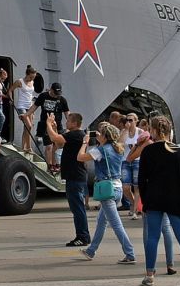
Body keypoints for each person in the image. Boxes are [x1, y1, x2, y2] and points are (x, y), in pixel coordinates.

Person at [133, 115, 180, 286]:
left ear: (153, 131)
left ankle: (149, 275)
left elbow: (142, 180)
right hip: (176, 198)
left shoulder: (148, 151)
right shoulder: (179, 151)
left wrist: (144, 201)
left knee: (152, 237)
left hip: (154, 198)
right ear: (169, 131)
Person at [78, 124, 136, 264]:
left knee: (116, 224)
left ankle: (130, 253)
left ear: (104, 136)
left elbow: (80, 157)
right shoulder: (118, 148)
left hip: (107, 189)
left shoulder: (101, 150)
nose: (98, 136)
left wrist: (85, 141)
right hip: (117, 187)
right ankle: (91, 250)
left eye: (101, 134)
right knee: (102, 221)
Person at [55, 110, 90, 247]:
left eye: (68, 121)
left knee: (78, 209)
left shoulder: (75, 134)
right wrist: (51, 127)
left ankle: (82, 236)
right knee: (77, 208)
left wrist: (47, 124)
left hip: (75, 177)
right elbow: (58, 144)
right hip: (74, 176)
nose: (66, 122)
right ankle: (83, 235)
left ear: (75, 123)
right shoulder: (76, 135)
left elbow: (56, 139)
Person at [35, 83, 69, 169]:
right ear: (51, 90)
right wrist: (27, 114)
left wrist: (70, 126)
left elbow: (67, 113)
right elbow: (34, 107)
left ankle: (55, 164)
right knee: (49, 146)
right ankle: (49, 165)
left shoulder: (62, 100)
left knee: (57, 145)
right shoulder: (43, 96)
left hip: (57, 125)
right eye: (55, 93)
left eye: (58, 94)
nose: (56, 96)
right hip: (45, 124)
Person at [118, 113, 143, 218]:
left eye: (131, 120)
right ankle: (133, 204)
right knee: (126, 187)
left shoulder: (140, 132)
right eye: (126, 120)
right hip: (125, 161)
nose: (128, 122)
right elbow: (119, 145)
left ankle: (135, 210)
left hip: (137, 160)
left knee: (137, 187)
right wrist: (126, 131)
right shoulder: (123, 132)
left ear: (136, 121)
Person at [13, 67, 38, 153]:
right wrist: (10, 99)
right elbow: (10, 90)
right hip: (21, 106)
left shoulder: (32, 82)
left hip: (29, 107)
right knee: (29, 126)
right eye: (31, 77)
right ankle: (29, 147)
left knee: (27, 128)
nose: (32, 79)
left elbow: (30, 94)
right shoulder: (19, 82)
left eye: (33, 77)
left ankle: (23, 147)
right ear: (27, 74)